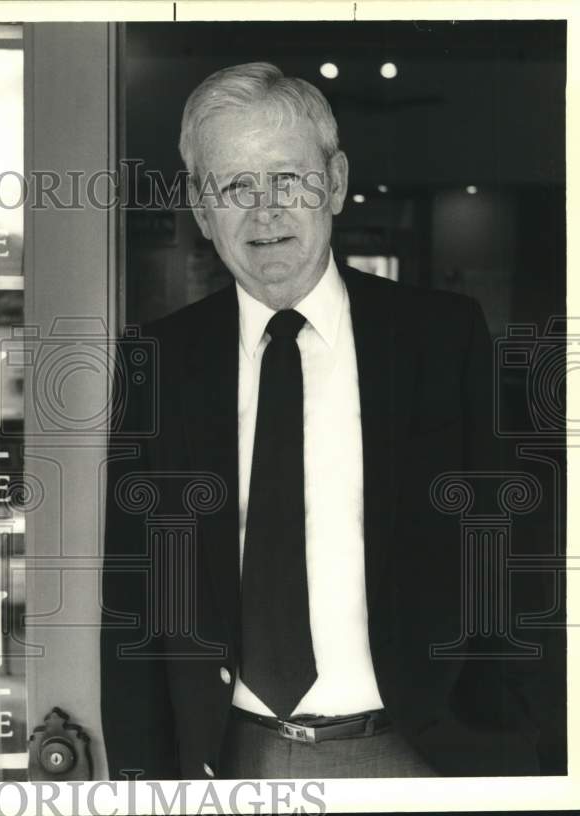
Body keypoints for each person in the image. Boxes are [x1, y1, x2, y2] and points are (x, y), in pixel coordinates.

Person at [100, 62, 552, 780]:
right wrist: (143, 784)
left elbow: (516, 563)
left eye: (288, 179)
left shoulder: (443, 339)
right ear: (198, 203)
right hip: (230, 760)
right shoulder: (159, 361)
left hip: (424, 753)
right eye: (235, 186)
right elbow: (135, 600)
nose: (265, 210)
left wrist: (533, 754)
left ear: (335, 182)